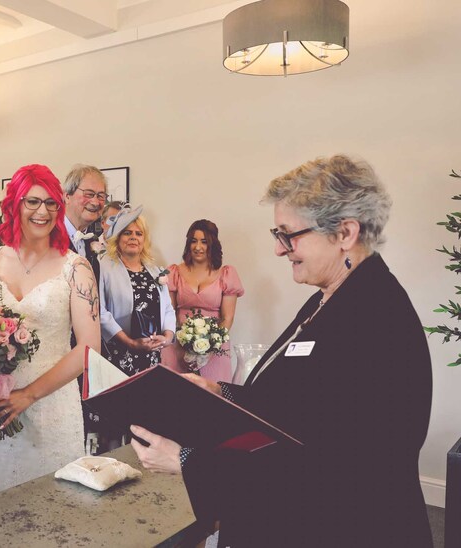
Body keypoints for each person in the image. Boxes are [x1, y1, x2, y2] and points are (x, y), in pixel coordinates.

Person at [131, 155, 433, 548]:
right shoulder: (330, 297)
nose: (278, 249)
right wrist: (219, 391)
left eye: (288, 234)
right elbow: (296, 404)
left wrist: (187, 461)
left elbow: (334, 463)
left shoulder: (376, 319)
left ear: (345, 232)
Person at [0, 164, 100, 507]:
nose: (43, 211)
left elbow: (90, 348)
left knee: (50, 508)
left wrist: (29, 395)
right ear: (14, 205)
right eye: (32, 202)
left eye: (51, 204)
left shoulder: (75, 268)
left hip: (51, 407)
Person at [161, 220, 244, 380]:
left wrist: (209, 349)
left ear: (212, 244)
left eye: (204, 242)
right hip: (178, 346)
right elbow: (168, 312)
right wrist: (182, 345)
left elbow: (228, 318)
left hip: (214, 350)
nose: (198, 247)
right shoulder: (174, 272)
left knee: (212, 399)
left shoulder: (226, 274)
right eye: (193, 241)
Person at [99, 205, 176, 375]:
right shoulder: (104, 266)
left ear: (144, 240)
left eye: (138, 233)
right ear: (118, 238)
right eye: (127, 233)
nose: (133, 237)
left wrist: (167, 338)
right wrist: (130, 343)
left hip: (151, 355)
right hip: (118, 354)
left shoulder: (155, 270)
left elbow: (168, 309)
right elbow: (100, 312)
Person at [62, 164, 107, 279]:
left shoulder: (93, 239)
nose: (95, 202)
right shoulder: (48, 236)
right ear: (67, 196)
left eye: (101, 196)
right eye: (89, 194)